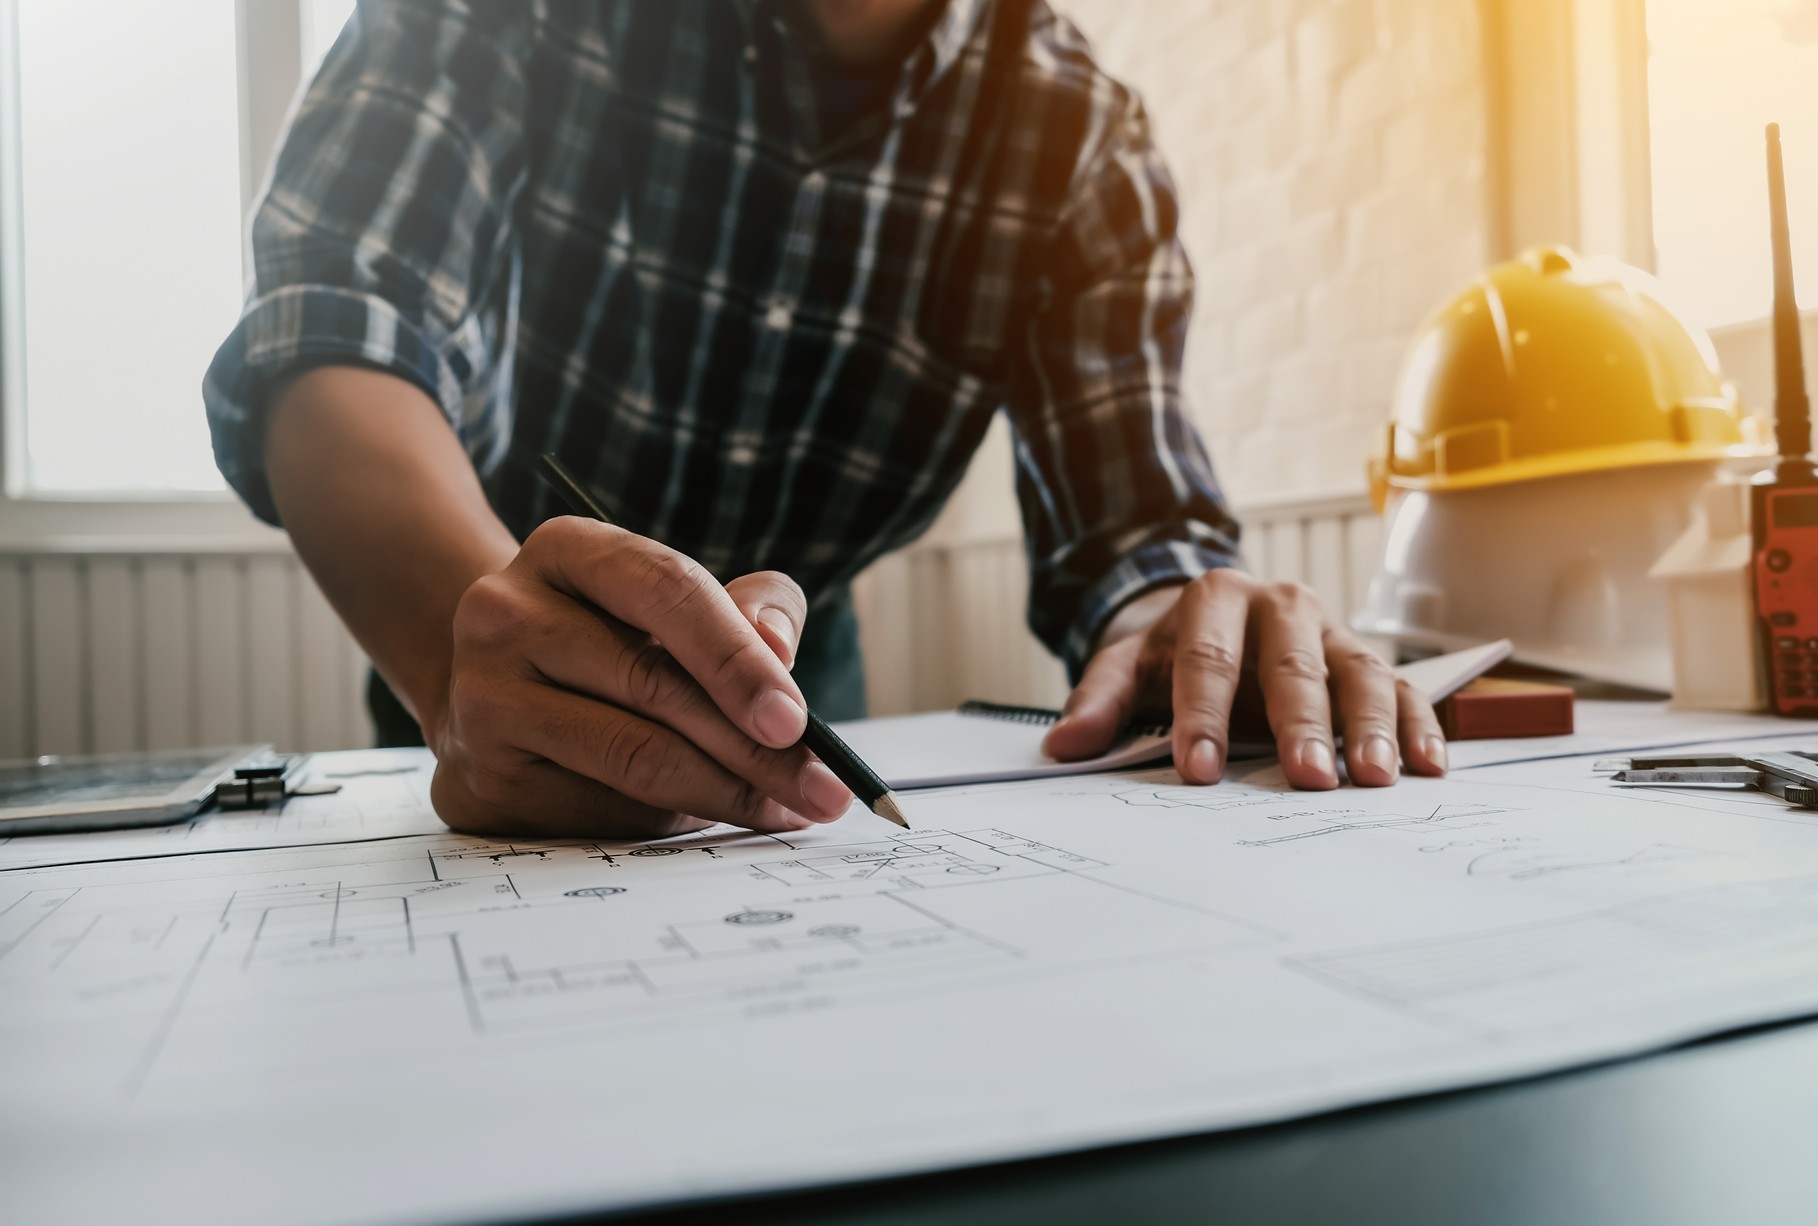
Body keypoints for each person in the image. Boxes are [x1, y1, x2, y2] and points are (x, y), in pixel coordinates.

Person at [205, 0, 1446, 839]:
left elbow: (1134, 519)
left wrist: (1184, 613)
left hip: (803, 666)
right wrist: (450, 666)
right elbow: (339, 332)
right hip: (483, 621)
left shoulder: (1079, 140)